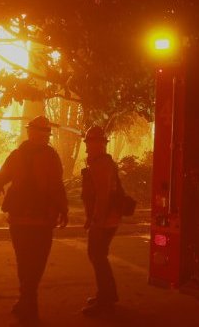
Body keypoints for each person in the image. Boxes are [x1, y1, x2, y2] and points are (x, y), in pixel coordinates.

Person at [0, 115, 70, 323]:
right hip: (41, 221)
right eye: (44, 133)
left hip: (18, 220)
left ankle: (24, 301)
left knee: (24, 262)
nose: (45, 136)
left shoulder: (17, 155)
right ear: (42, 134)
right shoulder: (51, 157)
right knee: (36, 263)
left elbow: (1, 176)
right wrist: (64, 210)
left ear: (29, 132)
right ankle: (29, 305)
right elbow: (56, 187)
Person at [80, 125, 123, 315]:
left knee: (97, 256)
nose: (87, 146)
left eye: (90, 142)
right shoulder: (100, 162)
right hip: (105, 219)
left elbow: (103, 196)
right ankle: (107, 294)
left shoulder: (100, 165)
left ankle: (106, 301)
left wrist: (96, 222)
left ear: (99, 144)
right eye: (87, 142)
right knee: (98, 256)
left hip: (105, 220)